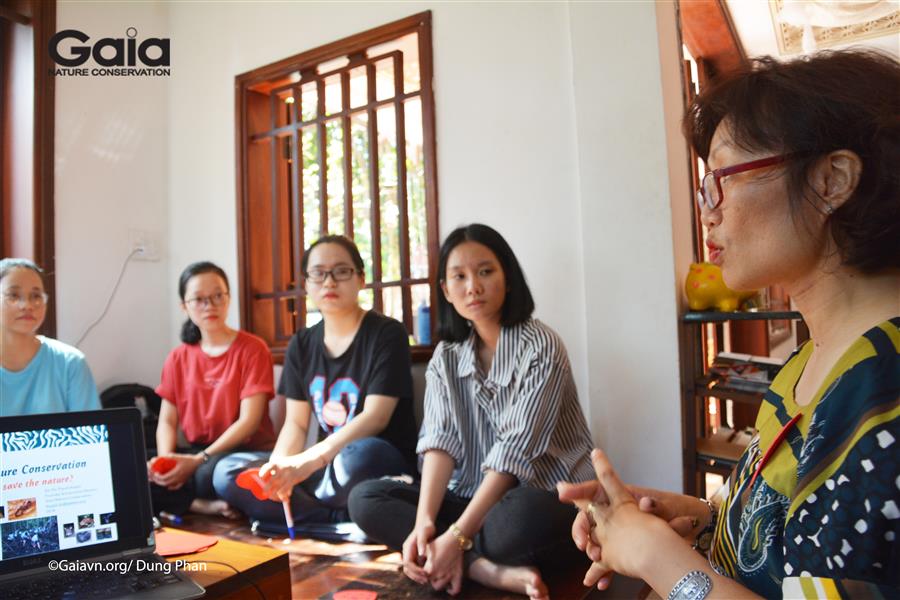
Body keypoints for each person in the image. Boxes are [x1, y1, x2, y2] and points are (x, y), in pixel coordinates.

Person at [559, 50, 900, 599]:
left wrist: (655, 557)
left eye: (722, 179)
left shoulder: (883, 387)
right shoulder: (815, 359)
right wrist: (696, 519)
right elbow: (784, 540)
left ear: (832, 180)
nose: (707, 210)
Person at [349, 224, 595, 600]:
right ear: (446, 290)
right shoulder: (446, 356)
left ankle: (459, 552)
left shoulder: (541, 345)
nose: (473, 287)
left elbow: (514, 454)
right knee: (365, 498)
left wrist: (456, 535)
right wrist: (424, 522)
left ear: (507, 278)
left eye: (485, 271)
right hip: (470, 498)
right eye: (459, 277)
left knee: (516, 521)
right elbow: (440, 443)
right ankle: (482, 568)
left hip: (542, 496)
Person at [214, 235, 416, 532]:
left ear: (361, 279)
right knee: (226, 471)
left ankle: (313, 514)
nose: (329, 282)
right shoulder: (302, 343)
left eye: (341, 271)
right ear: (306, 284)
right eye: (318, 273)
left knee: (363, 455)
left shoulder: (387, 334)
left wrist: (306, 464)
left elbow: (376, 417)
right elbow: (296, 424)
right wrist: (279, 469)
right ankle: (338, 519)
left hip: (368, 464)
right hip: (323, 469)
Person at [149, 261, 276, 517]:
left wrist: (197, 461)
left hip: (241, 451)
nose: (210, 305)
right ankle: (199, 505)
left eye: (218, 296)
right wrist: (167, 462)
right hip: (198, 450)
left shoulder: (253, 349)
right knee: (132, 464)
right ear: (184, 306)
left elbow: (249, 422)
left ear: (228, 298)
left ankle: (178, 501)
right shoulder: (177, 357)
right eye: (199, 299)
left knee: (211, 474)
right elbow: (167, 421)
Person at [0, 258, 100, 416]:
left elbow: (89, 429)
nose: (27, 305)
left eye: (36, 296)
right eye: (13, 295)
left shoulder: (70, 363)